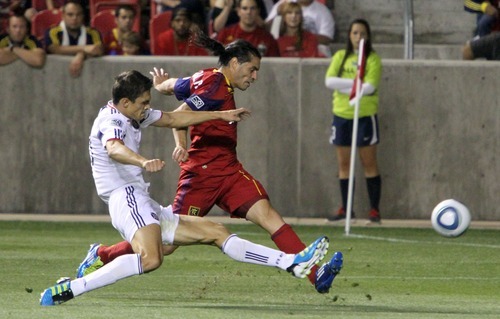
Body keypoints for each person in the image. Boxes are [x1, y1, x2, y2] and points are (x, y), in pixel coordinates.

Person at [74, 33, 343, 295]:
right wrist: (179, 145)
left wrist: (160, 86)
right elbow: (180, 114)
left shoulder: (203, 77)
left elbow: (172, 89)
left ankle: (314, 273)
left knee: (269, 216)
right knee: (164, 245)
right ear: (235, 63)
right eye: (252, 69)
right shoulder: (214, 85)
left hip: (229, 170)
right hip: (201, 176)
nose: (254, 77)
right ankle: (102, 254)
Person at [324, 19, 382, 223]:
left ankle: (374, 210)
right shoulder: (341, 56)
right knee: (344, 164)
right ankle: (346, 210)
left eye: (362, 33)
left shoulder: (373, 59)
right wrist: (356, 84)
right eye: (355, 33)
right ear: (349, 35)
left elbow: (370, 87)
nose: (358, 37)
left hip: (365, 116)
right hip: (342, 115)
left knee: (369, 163)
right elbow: (330, 81)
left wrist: (350, 86)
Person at [44, 0, 103, 78]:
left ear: (83, 16)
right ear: (63, 15)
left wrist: (81, 54)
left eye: (78, 14)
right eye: (70, 14)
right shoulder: (53, 31)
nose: (74, 18)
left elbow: (98, 50)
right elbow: (55, 49)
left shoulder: (93, 32)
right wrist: (85, 48)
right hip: (55, 75)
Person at [266, 0, 334, 57]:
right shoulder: (283, 4)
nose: (293, 16)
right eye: (289, 13)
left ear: (301, 17)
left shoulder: (310, 38)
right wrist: (278, 12)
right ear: (284, 17)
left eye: (297, 13)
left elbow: (326, 38)